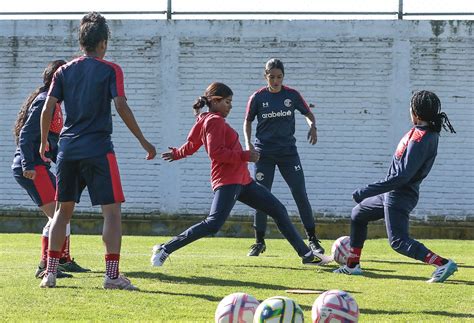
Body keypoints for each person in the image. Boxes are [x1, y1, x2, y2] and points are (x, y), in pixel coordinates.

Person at [151, 82, 330, 268]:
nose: (230, 106)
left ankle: (307, 255)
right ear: (215, 101)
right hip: (229, 181)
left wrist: (177, 153)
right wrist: (246, 155)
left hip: (243, 181)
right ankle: (164, 249)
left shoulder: (205, 119)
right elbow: (216, 153)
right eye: (227, 102)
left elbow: (191, 145)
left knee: (278, 210)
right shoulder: (214, 121)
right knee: (213, 224)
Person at [38, 12, 156, 290]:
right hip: (98, 149)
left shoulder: (63, 71)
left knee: (61, 213)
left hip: (68, 150)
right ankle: (112, 275)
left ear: (82, 43)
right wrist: (144, 142)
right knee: (111, 213)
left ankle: (50, 274)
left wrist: (44, 141)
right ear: (103, 43)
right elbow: (121, 106)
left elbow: (47, 107)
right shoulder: (110, 70)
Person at [333, 90, 458, 283]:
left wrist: (366, 190)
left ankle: (442, 263)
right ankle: (352, 266)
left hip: (400, 195)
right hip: (392, 193)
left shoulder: (421, 139)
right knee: (358, 214)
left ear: (415, 112)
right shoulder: (424, 132)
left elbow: (402, 177)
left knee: (398, 242)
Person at [12, 60, 90, 279]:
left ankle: (61, 261)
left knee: (61, 212)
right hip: (33, 168)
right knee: (58, 215)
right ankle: (46, 267)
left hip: (39, 166)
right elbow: (26, 135)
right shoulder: (44, 101)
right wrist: (28, 164)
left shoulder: (53, 103)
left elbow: (50, 142)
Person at [244, 58, 324, 257]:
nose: (275, 80)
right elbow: (247, 121)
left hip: (288, 154)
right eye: (271, 77)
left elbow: (308, 114)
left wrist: (312, 126)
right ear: (266, 76)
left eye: (279, 77)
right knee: (261, 196)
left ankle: (312, 239)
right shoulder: (257, 97)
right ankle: (259, 241)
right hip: (264, 155)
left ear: (283, 77)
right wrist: (248, 144)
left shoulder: (292, 95)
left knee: (300, 193)